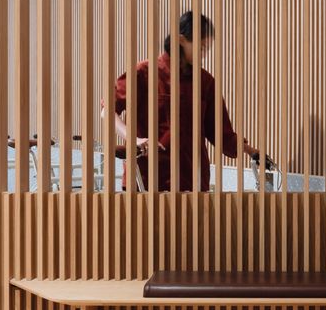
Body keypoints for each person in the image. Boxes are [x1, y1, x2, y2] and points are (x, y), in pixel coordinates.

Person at [105, 10, 257, 191]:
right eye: (201, 48)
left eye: (206, 49)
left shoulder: (205, 82)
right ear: (181, 40)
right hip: (146, 180)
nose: (204, 55)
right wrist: (133, 138)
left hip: (191, 181)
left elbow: (222, 134)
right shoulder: (144, 73)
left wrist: (254, 153)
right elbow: (107, 110)